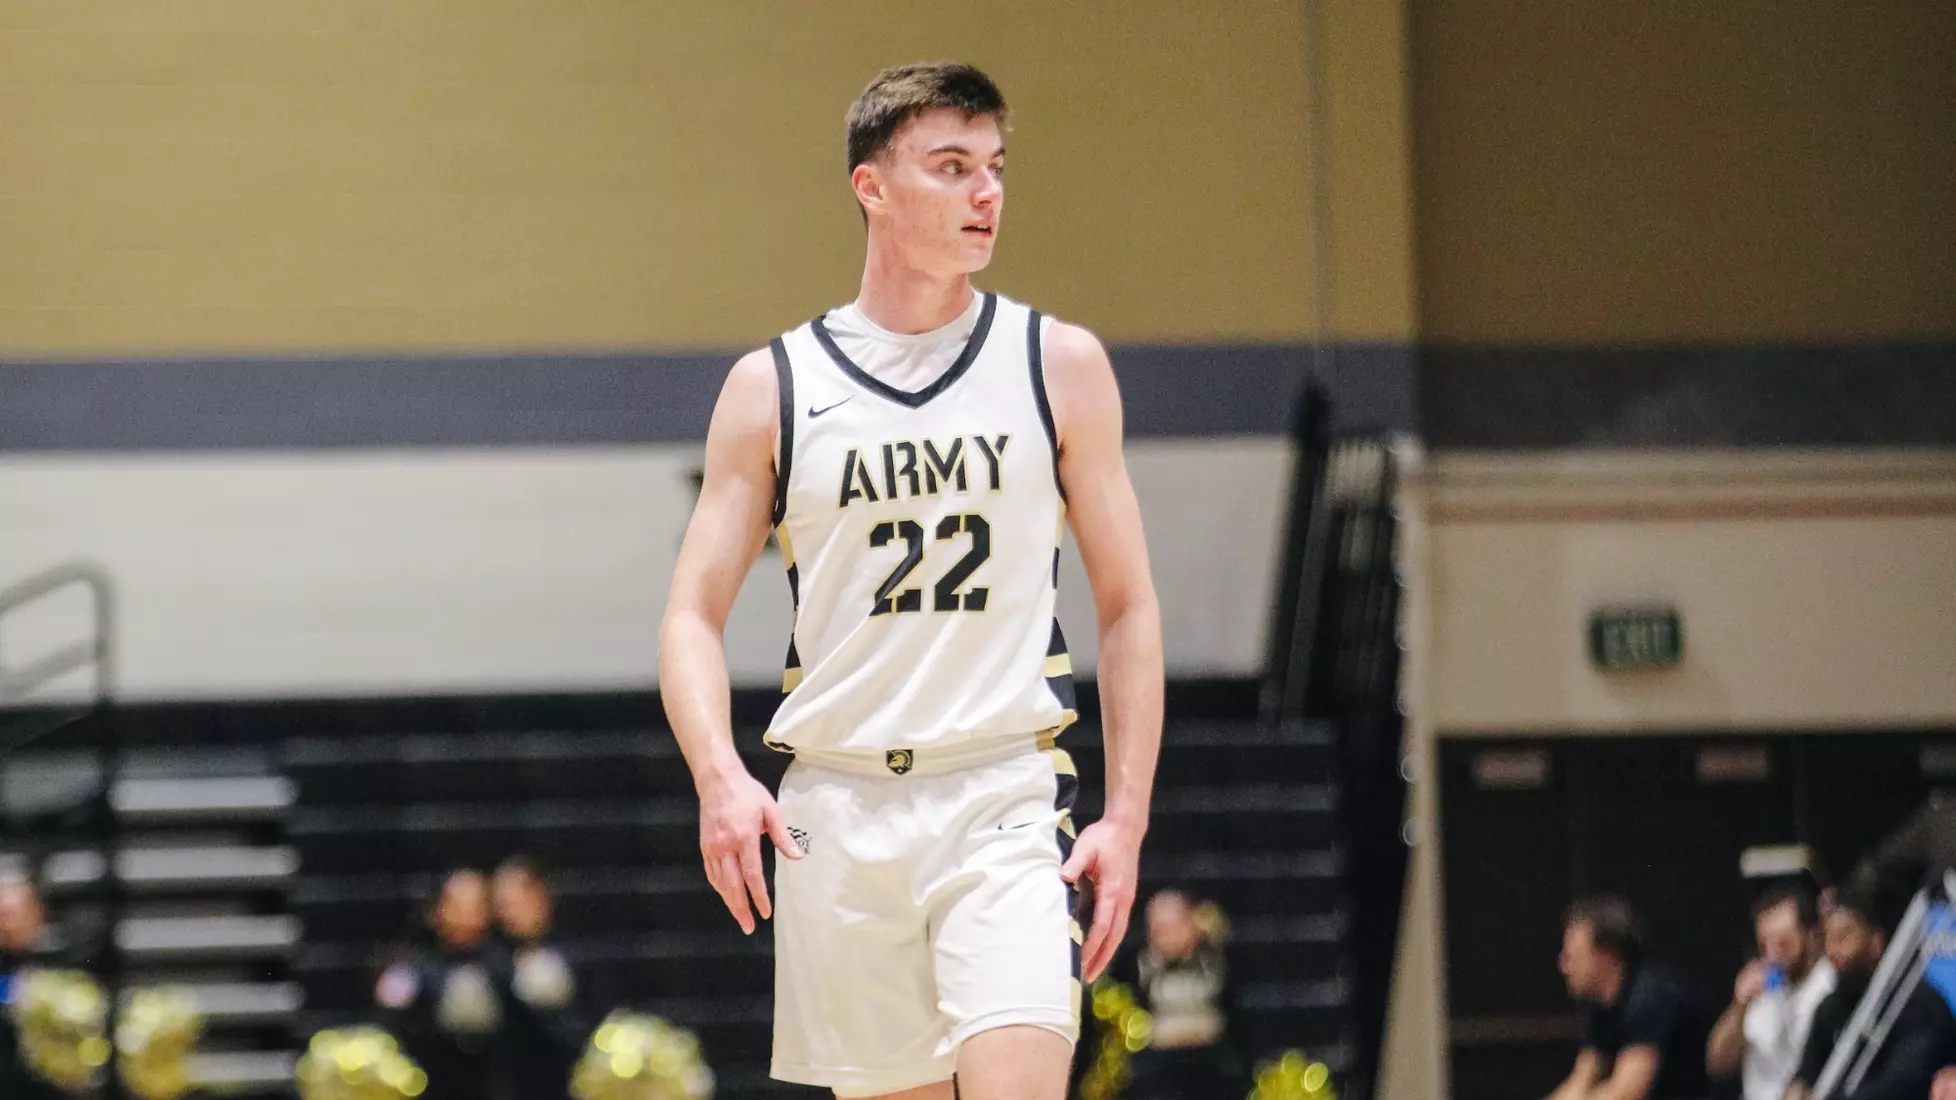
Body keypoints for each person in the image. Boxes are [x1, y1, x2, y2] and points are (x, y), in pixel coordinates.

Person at [660, 61, 1164, 1100]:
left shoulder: (1056, 363)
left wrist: (1126, 813)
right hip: (839, 809)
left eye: (995, 167)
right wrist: (719, 774)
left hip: (1003, 796)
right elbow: (689, 615)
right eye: (951, 167)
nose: (988, 193)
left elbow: (1128, 604)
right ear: (872, 187)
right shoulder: (774, 387)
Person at [1784, 879, 1956, 1100]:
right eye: (1827, 939)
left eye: (1842, 937)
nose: (1831, 950)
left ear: (1875, 941)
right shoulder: (1830, 1009)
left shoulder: (1918, 1005)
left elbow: (1902, 1086)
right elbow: (1806, 1076)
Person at [1547, 896, 1711, 1100]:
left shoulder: (1650, 999)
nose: (1563, 966)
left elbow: (1625, 1095)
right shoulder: (1603, 1008)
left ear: (1607, 954)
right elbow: (1579, 1083)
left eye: (1573, 956)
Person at [375, 868, 511, 1100]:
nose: (467, 916)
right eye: (457, 906)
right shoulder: (413, 968)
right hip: (431, 1082)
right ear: (436, 910)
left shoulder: (504, 966)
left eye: (476, 906)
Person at [1705, 886, 1836, 1100]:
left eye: (1783, 943)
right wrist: (1739, 1007)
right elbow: (1717, 1066)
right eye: (1764, 945)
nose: (1773, 955)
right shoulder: (1761, 990)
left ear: (1811, 936)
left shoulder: (1829, 986)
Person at [492, 856, 586, 1100]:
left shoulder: (574, 955)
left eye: (514, 902)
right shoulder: (492, 961)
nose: (507, 913)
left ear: (541, 898)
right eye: (501, 904)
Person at [1126, 890, 1233, 1099]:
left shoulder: (1212, 959)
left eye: (1172, 928)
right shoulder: (1141, 964)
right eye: (1157, 930)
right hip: (1160, 1069)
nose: (1164, 937)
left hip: (1208, 1065)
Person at [0, 876, 65, 1100]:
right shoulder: (4, 967)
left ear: (37, 913)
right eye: (1, 916)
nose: (6, 924)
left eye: (12, 914)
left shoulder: (65, 961)